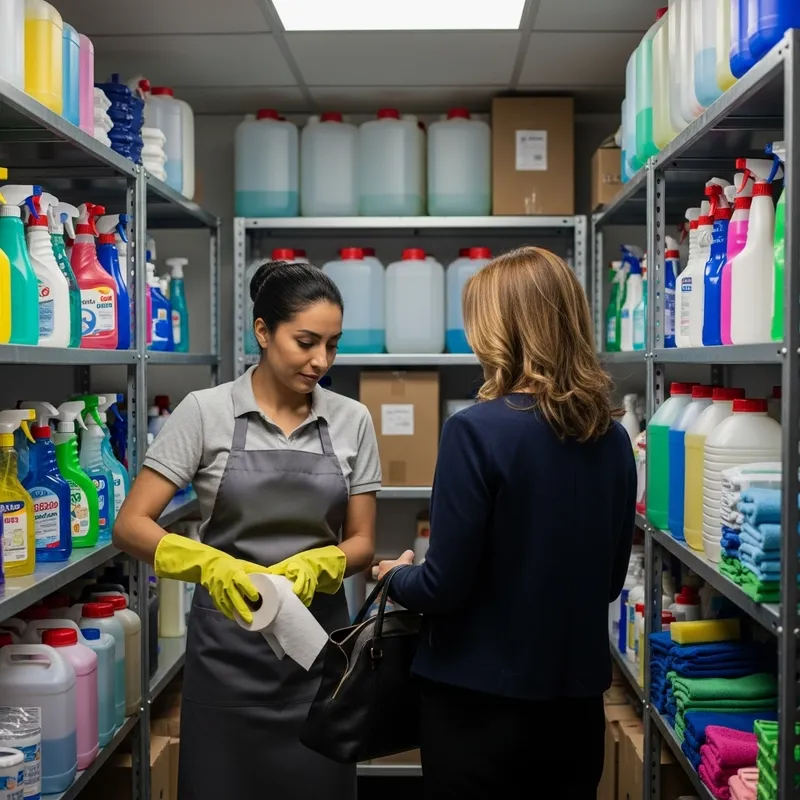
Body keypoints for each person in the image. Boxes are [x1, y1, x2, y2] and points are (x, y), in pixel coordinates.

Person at [114, 260, 381, 799]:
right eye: (306, 342)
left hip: (317, 649)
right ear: (262, 331)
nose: (321, 361)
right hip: (229, 656)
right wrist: (210, 565)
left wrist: (322, 563)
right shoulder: (205, 413)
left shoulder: (351, 420)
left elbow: (362, 542)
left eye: (332, 345)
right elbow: (131, 526)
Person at [377, 247, 636, 799]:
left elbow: (442, 587)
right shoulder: (612, 439)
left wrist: (391, 576)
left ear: (502, 331)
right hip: (575, 708)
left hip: (479, 711)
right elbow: (610, 581)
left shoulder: (476, 431)